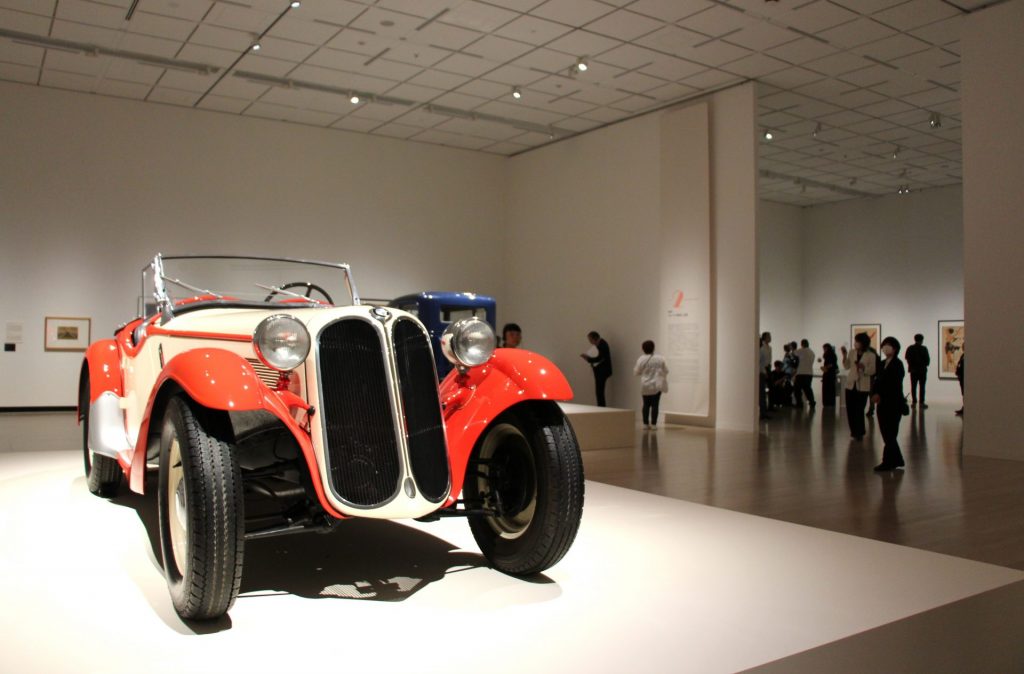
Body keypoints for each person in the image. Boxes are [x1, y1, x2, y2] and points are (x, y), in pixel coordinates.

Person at [872, 336, 907, 471]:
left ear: (895, 348)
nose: (885, 348)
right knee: (886, 433)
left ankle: (890, 461)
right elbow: (877, 381)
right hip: (882, 404)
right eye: (884, 346)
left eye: (888, 345)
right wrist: (875, 393)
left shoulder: (898, 364)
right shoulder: (882, 364)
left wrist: (880, 394)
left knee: (890, 433)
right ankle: (894, 460)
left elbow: (894, 384)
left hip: (893, 403)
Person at [842, 333, 876, 440]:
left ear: (863, 343)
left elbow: (872, 371)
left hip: (862, 386)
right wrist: (844, 355)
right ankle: (854, 431)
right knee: (850, 409)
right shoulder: (852, 352)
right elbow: (847, 366)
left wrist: (863, 368)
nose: (855, 343)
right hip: (851, 384)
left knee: (859, 409)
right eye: (855, 341)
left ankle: (860, 431)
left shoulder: (871, 355)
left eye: (857, 341)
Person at [634, 340, 668, 429]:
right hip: (656, 385)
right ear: (653, 348)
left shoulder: (641, 359)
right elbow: (666, 370)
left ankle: (645, 424)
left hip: (645, 385)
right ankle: (654, 424)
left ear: (643, 349)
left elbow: (636, 372)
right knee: (655, 405)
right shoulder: (660, 358)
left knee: (646, 404)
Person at [581, 331, 612, 407]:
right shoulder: (600, 345)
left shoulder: (602, 345)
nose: (590, 342)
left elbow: (600, 358)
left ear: (594, 338)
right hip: (600, 371)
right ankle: (601, 407)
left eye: (590, 340)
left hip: (602, 372)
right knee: (599, 391)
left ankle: (601, 408)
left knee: (599, 391)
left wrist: (588, 359)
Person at [904, 333, 930, 408]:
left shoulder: (910, 348)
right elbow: (927, 360)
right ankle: (921, 402)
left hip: (913, 371)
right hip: (922, 371)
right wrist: (923, 364)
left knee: (913, 386)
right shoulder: (924, 349)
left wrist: (912, 365)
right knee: (922, 387)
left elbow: (907, 358)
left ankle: (914, 402)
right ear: (921, 340)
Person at [793, 339, 816, 407]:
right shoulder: (812, 352)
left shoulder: (801, 350)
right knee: (808, 389)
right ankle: (812, 402)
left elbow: (794, 353)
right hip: (809, 373)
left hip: (801, 373)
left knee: (797, 389)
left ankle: (799, 403)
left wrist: (792, 348)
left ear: (802, 344)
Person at [866, 343, 881, 418]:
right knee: (870, 393)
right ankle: (871, 408)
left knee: (870, 393)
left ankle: (871, 408)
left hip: (870, 376)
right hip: (871, 376)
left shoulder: (870, 353)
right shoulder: (873, 353)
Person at [759, 332, 772, 418]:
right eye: (769, 336)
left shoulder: (769, 348)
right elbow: (759, 361)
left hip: (767, 369)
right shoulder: (762, 348)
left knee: (768, 390)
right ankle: (763, 412)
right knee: (762, 392)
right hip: (762, 371)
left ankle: (767, 409)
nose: (770, 338)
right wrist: (763, 370)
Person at [955, 347, 965, 416]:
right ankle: (964, 408)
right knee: (963, 394)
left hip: (964, 377)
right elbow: (959, 365)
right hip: (961, 377)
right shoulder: (963, 355)